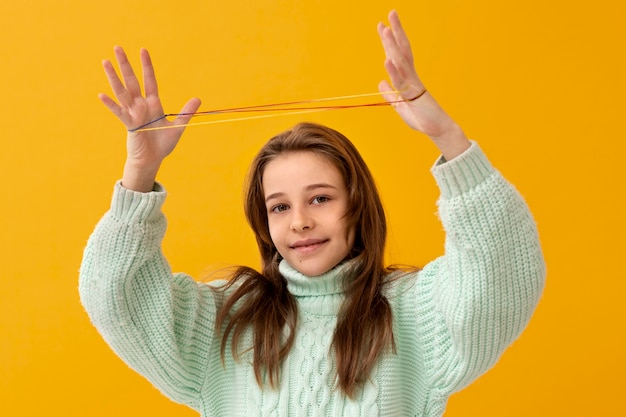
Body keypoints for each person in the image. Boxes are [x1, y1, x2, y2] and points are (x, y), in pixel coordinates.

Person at [79, 10, 545, 417]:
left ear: (357, 204)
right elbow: (115, 298)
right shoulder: (226, 322)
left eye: (320, 198)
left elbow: (504, 272)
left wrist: (447, 138)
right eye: (279, 207)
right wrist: (140, 171)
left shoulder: (412, 313)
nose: (299, 221)